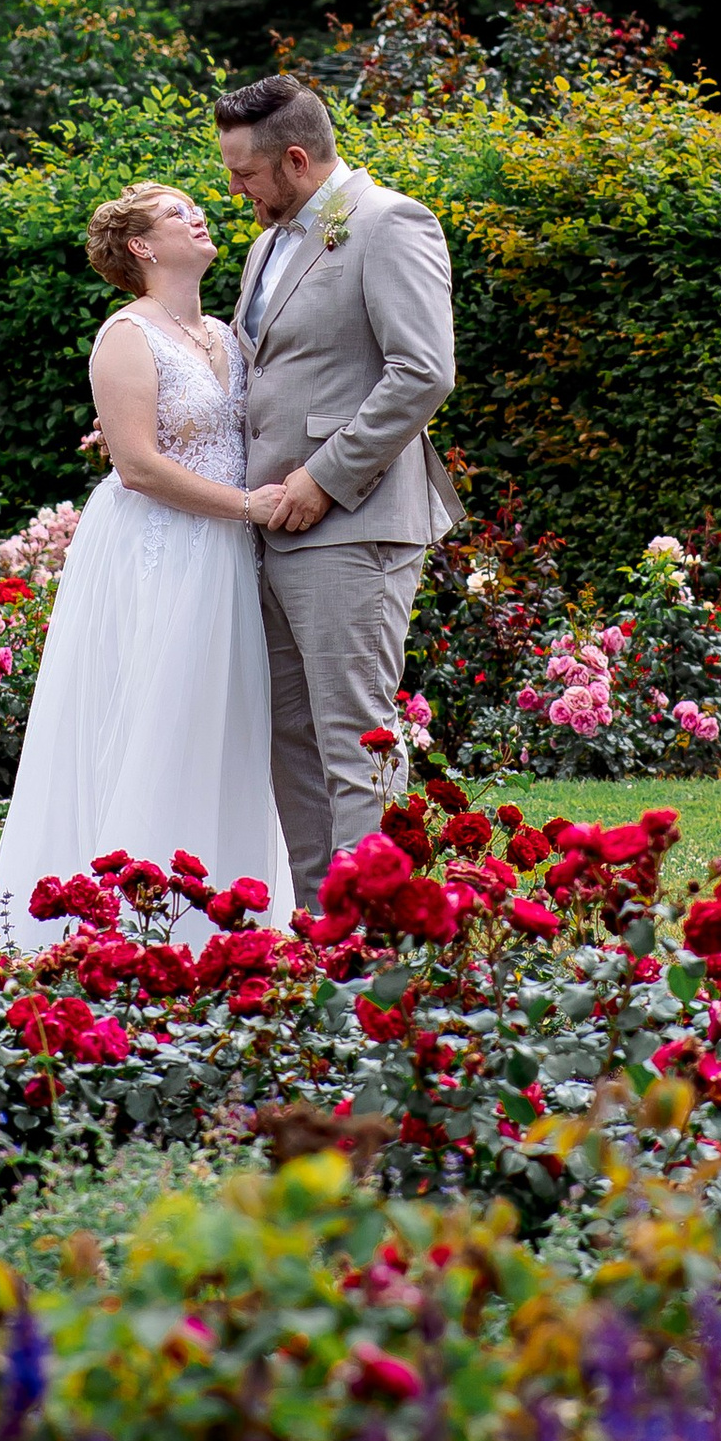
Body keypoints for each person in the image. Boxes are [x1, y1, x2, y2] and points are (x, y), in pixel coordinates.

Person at [0, 182, 294, 948]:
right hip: (158, 551)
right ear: (142, 247)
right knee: (157, 717)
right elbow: (136, 466)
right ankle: (133, 925)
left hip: (227, 552)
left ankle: (227, 915)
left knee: (224, 721)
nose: (198, 214)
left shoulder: (228, 335)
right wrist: (247, 508)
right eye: (175, 212)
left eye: (195, 206)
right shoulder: (126, 337)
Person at [215, 70, 463, 904]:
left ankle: (385, 936)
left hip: (352, 524)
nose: (236, 190)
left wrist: (322, 480)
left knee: (355, 744)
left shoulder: (390, 224)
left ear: (294, 158)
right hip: (270, 528)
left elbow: (422, 371)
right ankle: (326, 940)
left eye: (245, 174)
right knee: (293, 740)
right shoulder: (266, 242)